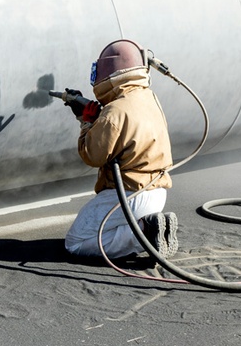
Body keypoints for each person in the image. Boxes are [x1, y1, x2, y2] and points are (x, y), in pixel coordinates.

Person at [63, 39, 178, 259]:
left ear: (109, 72)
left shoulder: (115, 111)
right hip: (156, 192)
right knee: (103, 231)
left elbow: (93, 155)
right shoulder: (148, 97)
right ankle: (151, 227)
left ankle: (144, 232)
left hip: (130, 195)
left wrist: (86, 123)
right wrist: (98, 120)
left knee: (76, 243)